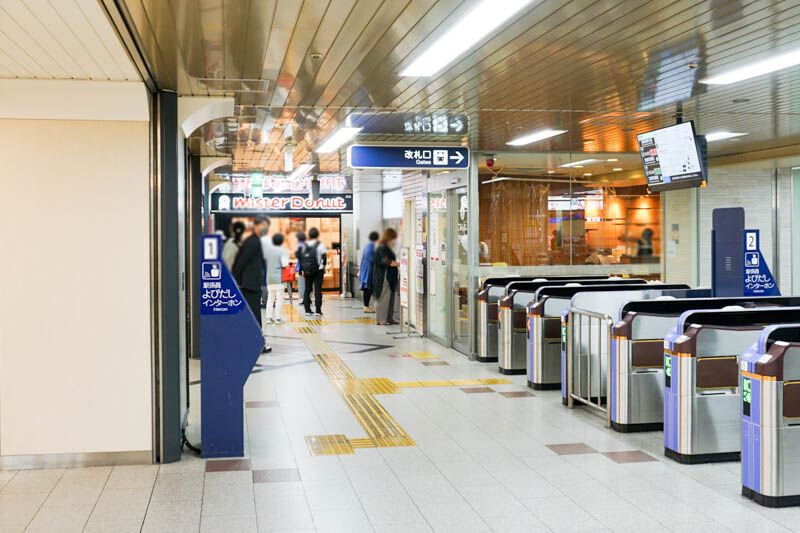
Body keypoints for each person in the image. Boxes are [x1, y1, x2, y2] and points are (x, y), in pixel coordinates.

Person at [232, 215, 271, 352]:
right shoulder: (253, 242)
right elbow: (241, 261)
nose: (265, 228)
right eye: (263, 225)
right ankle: (257, 345)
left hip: (250, 284)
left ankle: (254, 343)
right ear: (256, 225)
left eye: (267, 226)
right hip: (249, 285)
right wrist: (235, 280)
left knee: (253, 315)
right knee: (254, 315)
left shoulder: (253, 240)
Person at [371, 228, 399, 326]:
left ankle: (389, 318)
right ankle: (381, 319)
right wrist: (400, 263)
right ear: (389, 238)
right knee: (383, 298)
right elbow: (386, 261)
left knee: (390, 298)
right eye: (393, 238)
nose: (394, 241)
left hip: (389, 277)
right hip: (383, 277)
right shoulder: (382, 248)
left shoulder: (385, 247)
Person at [300, 227, 326, 316]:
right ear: (317, 235)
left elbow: (301, 259)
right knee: (318, 290)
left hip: (307, 270)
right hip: (318, 269)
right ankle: (318, 311)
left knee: (307, 289)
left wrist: (302, 270)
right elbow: (324, 258)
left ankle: (307, 310)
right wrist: (323, 267)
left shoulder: (304, 245)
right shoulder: (321, 245)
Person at [264, 233, 289, 323]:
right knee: (279, 298)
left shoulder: (268, 251)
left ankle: (268, 318)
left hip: (269, 278)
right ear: (281, 241)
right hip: (279, 278)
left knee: (270, 298)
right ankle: (278, 318)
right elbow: (285, 264)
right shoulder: (282, 251)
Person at [359, 231, 379, 313]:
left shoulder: (367, 245)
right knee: (368, 288)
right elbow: (371, 258)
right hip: (369, 270)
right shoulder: (372, 246)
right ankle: (366, 306)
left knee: (367, 288)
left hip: (365, 268)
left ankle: (366, 306)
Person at [295, 231, 307, 307]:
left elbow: (300, 258)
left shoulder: (300, 246)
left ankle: (305, 299)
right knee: (307, 284)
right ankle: (307, 299)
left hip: (302, 268)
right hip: (307, 267)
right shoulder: (306, 245)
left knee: (302, 285)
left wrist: (301, 269)